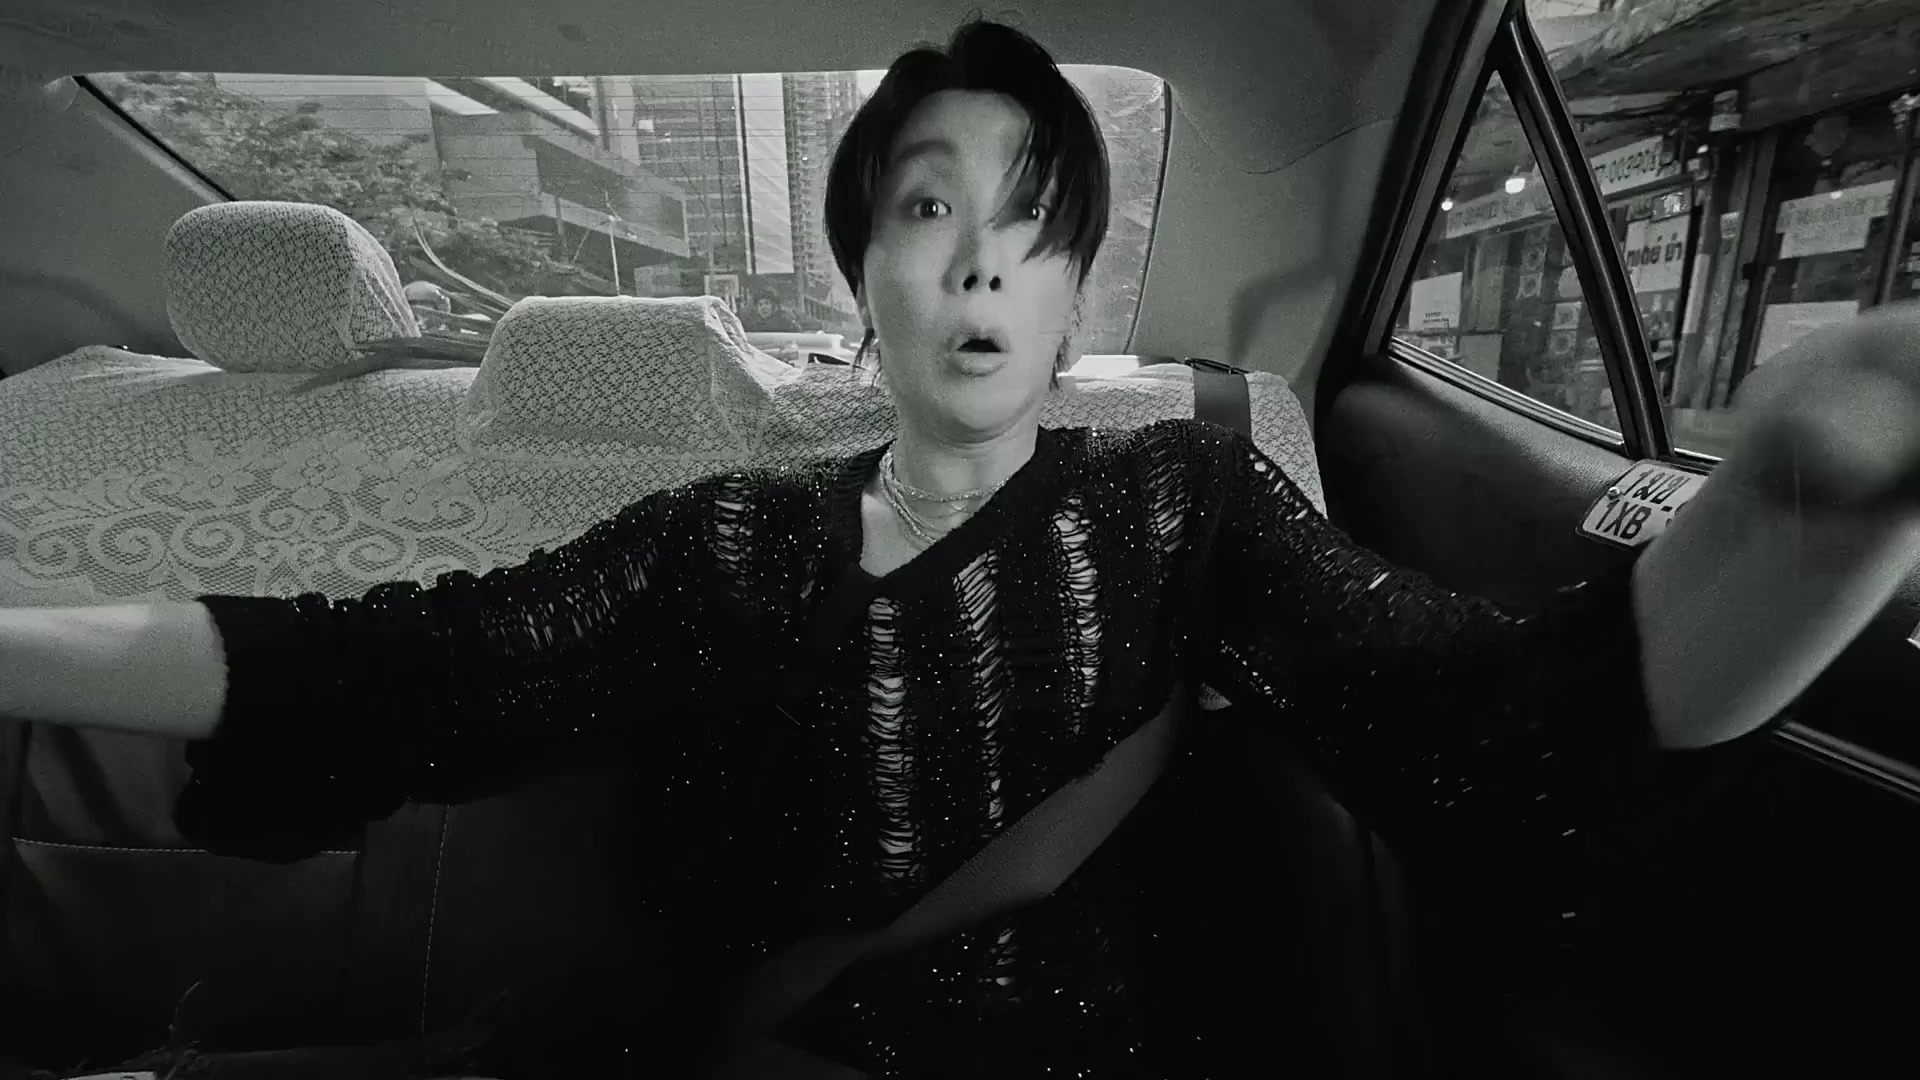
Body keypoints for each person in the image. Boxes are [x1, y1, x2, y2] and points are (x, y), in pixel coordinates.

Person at [4, 18, 1920, 1079]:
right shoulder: (717, 541)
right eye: (930, 210)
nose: (983, 261)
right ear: (866, 271)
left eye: (1034, 219)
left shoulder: (1181, 503)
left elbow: (1503, 725)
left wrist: (1807, 514)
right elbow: (382, 670)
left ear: (1075, 280)